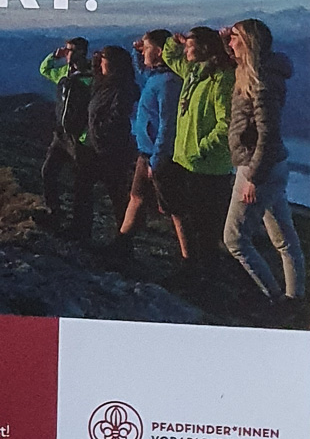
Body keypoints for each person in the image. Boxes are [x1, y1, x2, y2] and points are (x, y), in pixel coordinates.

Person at [222, 18, 304, 302]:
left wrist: (253, 178)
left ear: (248, 42)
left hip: (257, 167)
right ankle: (294, 297)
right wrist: (225, 41)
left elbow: (267, 133)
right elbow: (236, 58)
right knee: (284, 238)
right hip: (271, 166)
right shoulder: (255, 72)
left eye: (234, 37)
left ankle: (273, 298)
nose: (230, 42)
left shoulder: (260, 83)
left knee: (234, 239)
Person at [162, 28, 235, 265]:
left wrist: (200, 148)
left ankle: (204, 274)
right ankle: (194, 270)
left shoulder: (221, 79)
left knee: (205, 228)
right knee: (192, 222)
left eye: (190, 46)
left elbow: (227, 124)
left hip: (208, 167)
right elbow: (169, 57)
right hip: (188, 162)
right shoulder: (193, 72)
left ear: (205, 48)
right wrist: (174, 41)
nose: (185, 51)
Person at [120, 29, 186, 258]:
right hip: (147, 152)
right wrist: (136, 51)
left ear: (158, 52)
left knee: (174, 208)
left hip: (158, 155)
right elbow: (142, 70)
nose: (143, 52)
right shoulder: (156, 77)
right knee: (137, 197)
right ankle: (122, 243)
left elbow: (168, 124)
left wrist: (157, 160)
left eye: (147, 48)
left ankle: (189, 260)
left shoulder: (167, 83)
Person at [84, 45, 139, 252]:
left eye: (104, 59)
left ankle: (123, 243)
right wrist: (95, 60)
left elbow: (118, 115)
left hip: (112, 148)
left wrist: (101, 129)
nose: (101, 62)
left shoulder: (121, 87)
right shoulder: (105, 83)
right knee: (85, 187)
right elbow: (96, 74)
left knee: (116, 195)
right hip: (99, 145)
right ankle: (83, 231)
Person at [38, 38, 92, 235]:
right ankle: (54, 212)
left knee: (81, 183)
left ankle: (80, 228)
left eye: (71, 50)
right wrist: (54, 56)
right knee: (48, 171)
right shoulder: (64, 72)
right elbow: (44, 69)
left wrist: (86, 135)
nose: (68, 53)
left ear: (82, 52)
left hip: (78, 137)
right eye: (67, 50)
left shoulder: (91, 76)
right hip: (61, 135)